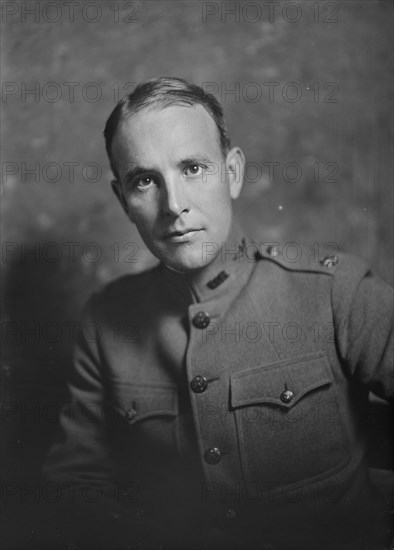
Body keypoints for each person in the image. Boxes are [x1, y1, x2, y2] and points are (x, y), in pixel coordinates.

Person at [44, 77, 393, 550]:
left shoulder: (335, 292)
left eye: (192, 168)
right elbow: (77, 481)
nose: (174, 206)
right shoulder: (106, 321)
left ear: (232, 173)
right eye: (145, 181)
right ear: (123, 200)